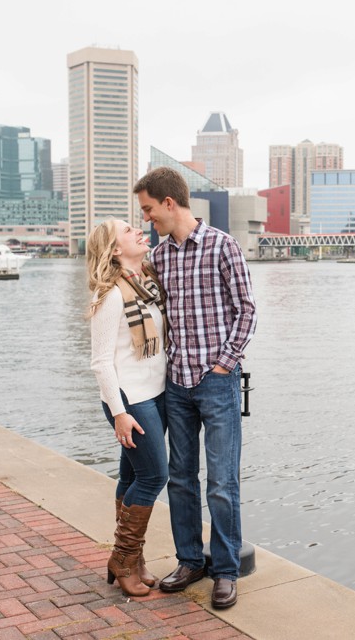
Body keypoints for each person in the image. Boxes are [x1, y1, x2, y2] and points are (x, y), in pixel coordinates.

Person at [135, 168, 257, 609]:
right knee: (181, 481)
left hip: (215, 382)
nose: (148, 219)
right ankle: (190, 561)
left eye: (149, 209)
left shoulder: (224, 246)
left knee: (222, 482)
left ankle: (225, 571)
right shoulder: (160, 256)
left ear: (170, 203)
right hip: (176, 383)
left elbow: (247, 310)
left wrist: (225, 365)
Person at [87, 219, 169, 597]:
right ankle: (122, 558)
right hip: (131, 400)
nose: (139, 230)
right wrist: (119, 412)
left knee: (132, 476)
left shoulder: (147, 284)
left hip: (155, 393)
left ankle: (134, 560)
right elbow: (101, 362)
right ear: (115, 249)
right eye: (128, 230)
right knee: (154, 477)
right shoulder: (111, 295)